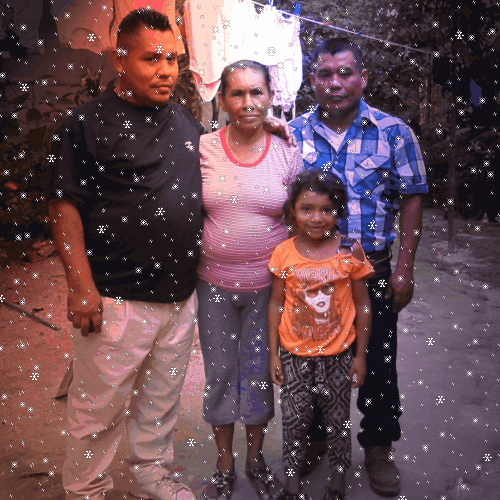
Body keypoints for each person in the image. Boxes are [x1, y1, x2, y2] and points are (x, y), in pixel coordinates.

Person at [48, 9, 204, 500]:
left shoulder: (185, 120)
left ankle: (150, 477)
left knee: (160, 401)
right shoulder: (85, 124)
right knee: (97, 408)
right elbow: (63, 207)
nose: (166, 71)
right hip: (116, 297)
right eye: (151, 59)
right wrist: (81, 287)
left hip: (178, 296)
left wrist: (267, 133)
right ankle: (86, 489)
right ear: (119, 59)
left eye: (173, 59)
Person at [288, 38, 428, 497]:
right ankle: (316, 439)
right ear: (313, 80)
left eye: (345, 73)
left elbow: (412, 199)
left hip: (372, 271)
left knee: (378, 362)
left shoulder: (394, 132)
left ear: (362, 78)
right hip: (310, 275)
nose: (335, 83)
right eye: (325, 74)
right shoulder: (292, 135)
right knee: (313, 360)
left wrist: (404, 268)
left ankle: (378, 446)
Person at [196, 60, 303, 500]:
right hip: (213, 284)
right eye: (237, 93)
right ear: (221, 99)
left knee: (259, 373)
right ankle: (224, 463)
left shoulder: (287, 150)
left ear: (271, 97)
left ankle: (255, 460)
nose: (248, 102)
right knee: (220, 372)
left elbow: (302, 217)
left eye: (257, 92)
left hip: (269, 289)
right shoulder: (202, 147)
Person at [268, 170, 373, 500]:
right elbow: (276, 304)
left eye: (326, 210)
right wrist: (273, 354)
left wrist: (360, 356)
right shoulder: (283, 252)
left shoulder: (349, 251)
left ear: (338, 211)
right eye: (307, 209)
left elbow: (363, 305)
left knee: (338, 422)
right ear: (293, 211)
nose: (316, 218)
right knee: (294, 422)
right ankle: (291, 482)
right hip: (294, 357)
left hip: (338, 358)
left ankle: (338, 478)